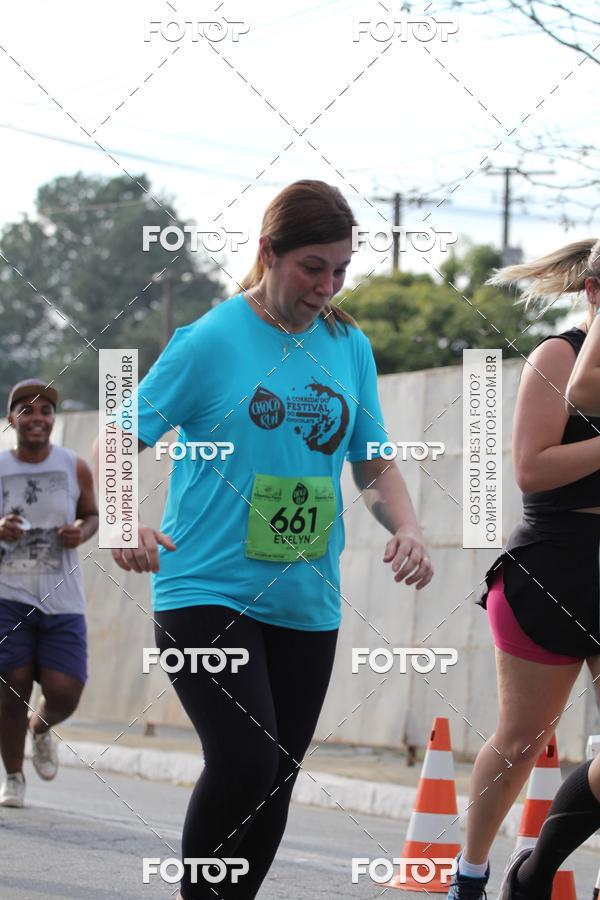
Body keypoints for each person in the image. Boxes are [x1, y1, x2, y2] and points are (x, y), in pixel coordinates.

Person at [93, 180, 434, 900]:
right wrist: (122, 519)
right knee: (246, 759)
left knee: (277, 775)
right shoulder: (212, 339)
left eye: (341, 270)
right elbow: (119, 438)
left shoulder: (348, 344)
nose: (327, 285)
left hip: (308, 597)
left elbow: (371, 458)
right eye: (313, 266)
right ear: (267, 250)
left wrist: (406, 524)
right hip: (206, 588)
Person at [447, 238, 600, 899]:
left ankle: (535, 872)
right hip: (551, 567)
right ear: (593, 293)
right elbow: (531, 468)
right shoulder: (557, 355)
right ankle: (471, 874)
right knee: (520, 741)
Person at [0, 379, 98, 807]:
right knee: (12, 686)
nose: (37, 418)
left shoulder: (73, 466)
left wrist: (81, 532)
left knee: (65, 691)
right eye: (27, 410)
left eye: (45, 411)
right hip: (9, 594)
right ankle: (13, 777)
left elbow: (92, 515)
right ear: (12, 419)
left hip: (62, 597)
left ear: (53, 420)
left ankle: (40, 729)